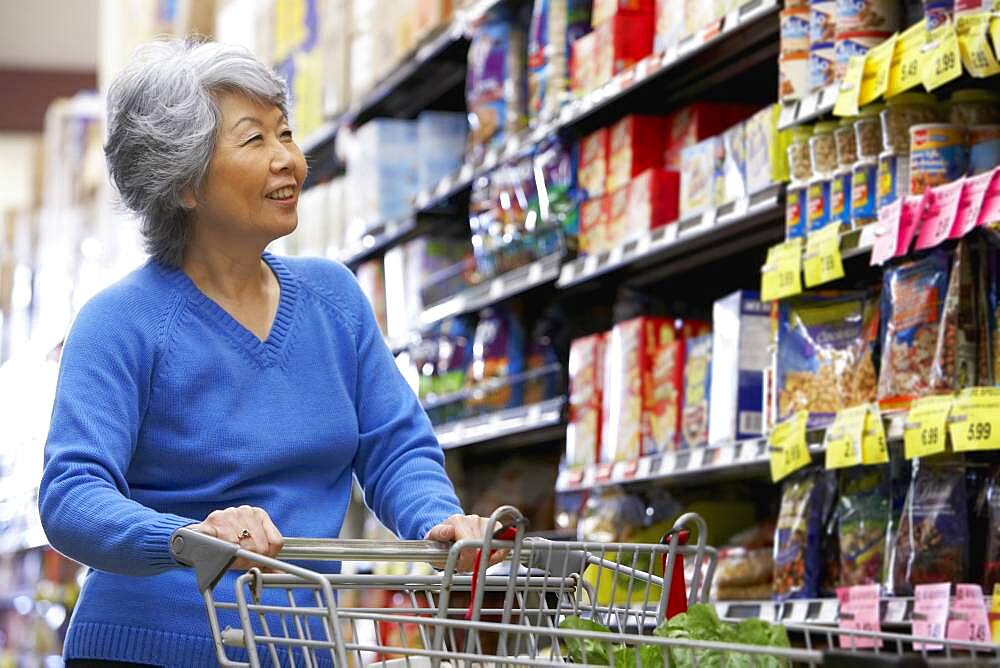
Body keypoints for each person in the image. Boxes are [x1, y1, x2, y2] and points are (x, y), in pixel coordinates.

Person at [39, 38, 494, 668]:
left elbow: (396, 446)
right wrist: (184, 537)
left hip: (298, 647)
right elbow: (71, 494)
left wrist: (436, 520)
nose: (289, 159)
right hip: (148, 651)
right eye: (255, 141)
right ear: (185, 183)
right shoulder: (120, 322)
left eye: (286, 133)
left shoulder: (334, 299)